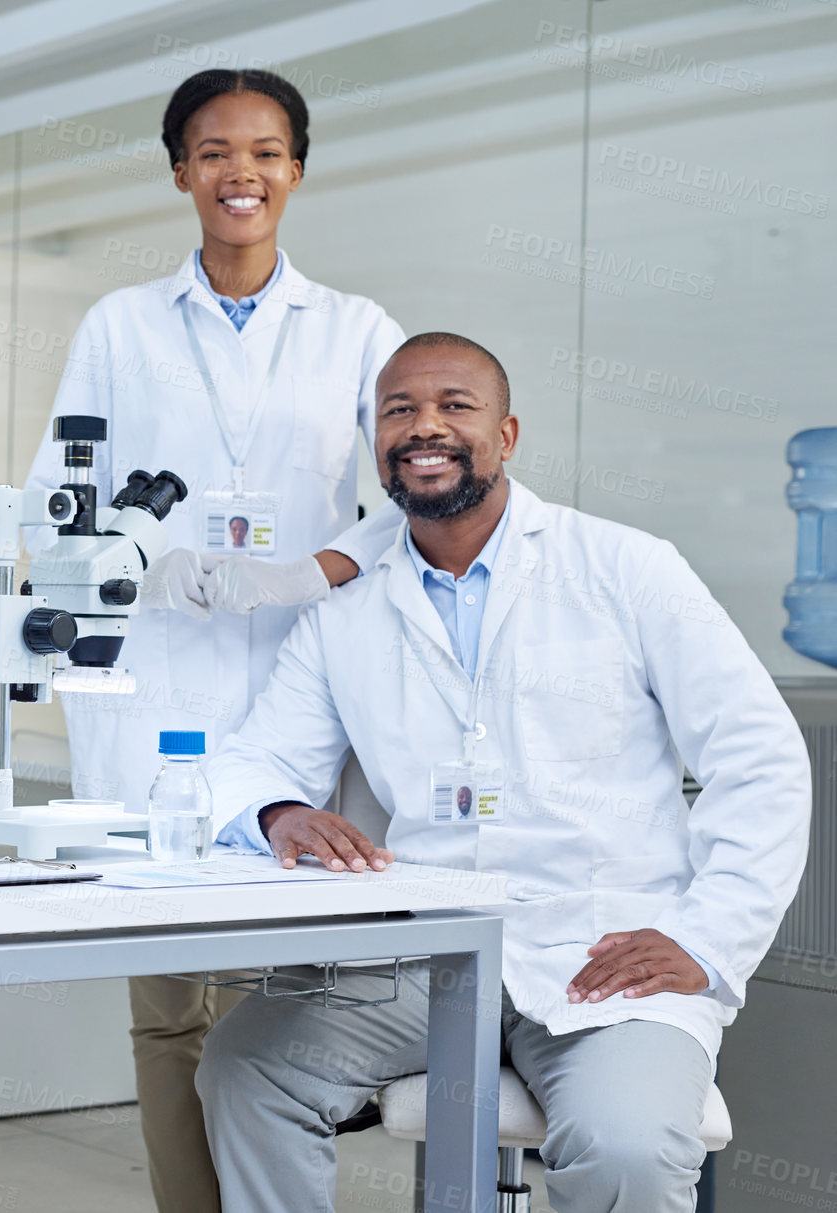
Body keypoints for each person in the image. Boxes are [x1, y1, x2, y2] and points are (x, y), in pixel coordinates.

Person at [196, 333, 811, 1213]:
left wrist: (703, 939)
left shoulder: (626, 568)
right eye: (399, 410)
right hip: (427, 951)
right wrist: (276, 811)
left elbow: (760, 757)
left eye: (454, 405)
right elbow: (256, 759)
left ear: (508, 433)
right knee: (244, 1069)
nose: (424, 427)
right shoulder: (346, 614)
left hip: (604, 954)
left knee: (627, 1147)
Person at [24, 67, 403, 1213]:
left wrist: (316, 566)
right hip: (156, 669)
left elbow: (413, 488)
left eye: (267, 151)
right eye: (216, 152)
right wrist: (147, 561)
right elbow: (60, 493)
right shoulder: (120, 325)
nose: (242, 173)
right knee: (167, 997)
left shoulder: (353, 329)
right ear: (181, 169)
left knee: (271, 985)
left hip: (296, 674)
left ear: (297, 167)